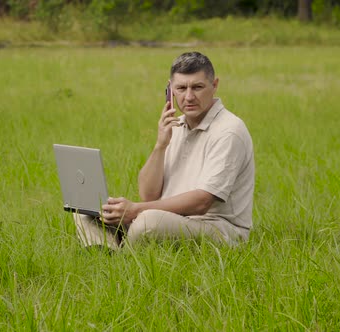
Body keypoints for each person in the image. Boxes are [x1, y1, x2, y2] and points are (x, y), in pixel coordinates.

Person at [74, 51, 255, 250]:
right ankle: (110, 259)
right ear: (170, 90)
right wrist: (160, 145)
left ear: (214, 85)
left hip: (218, 229)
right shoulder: (176, 126)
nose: (189, 96)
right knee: (88, 212)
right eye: (181, 88)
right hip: (172, 220)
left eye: (198, 87)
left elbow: (202, 202)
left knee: (147, 222)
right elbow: (148, 194)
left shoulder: (229, 130)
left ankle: (124, 257)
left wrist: (135, 211)